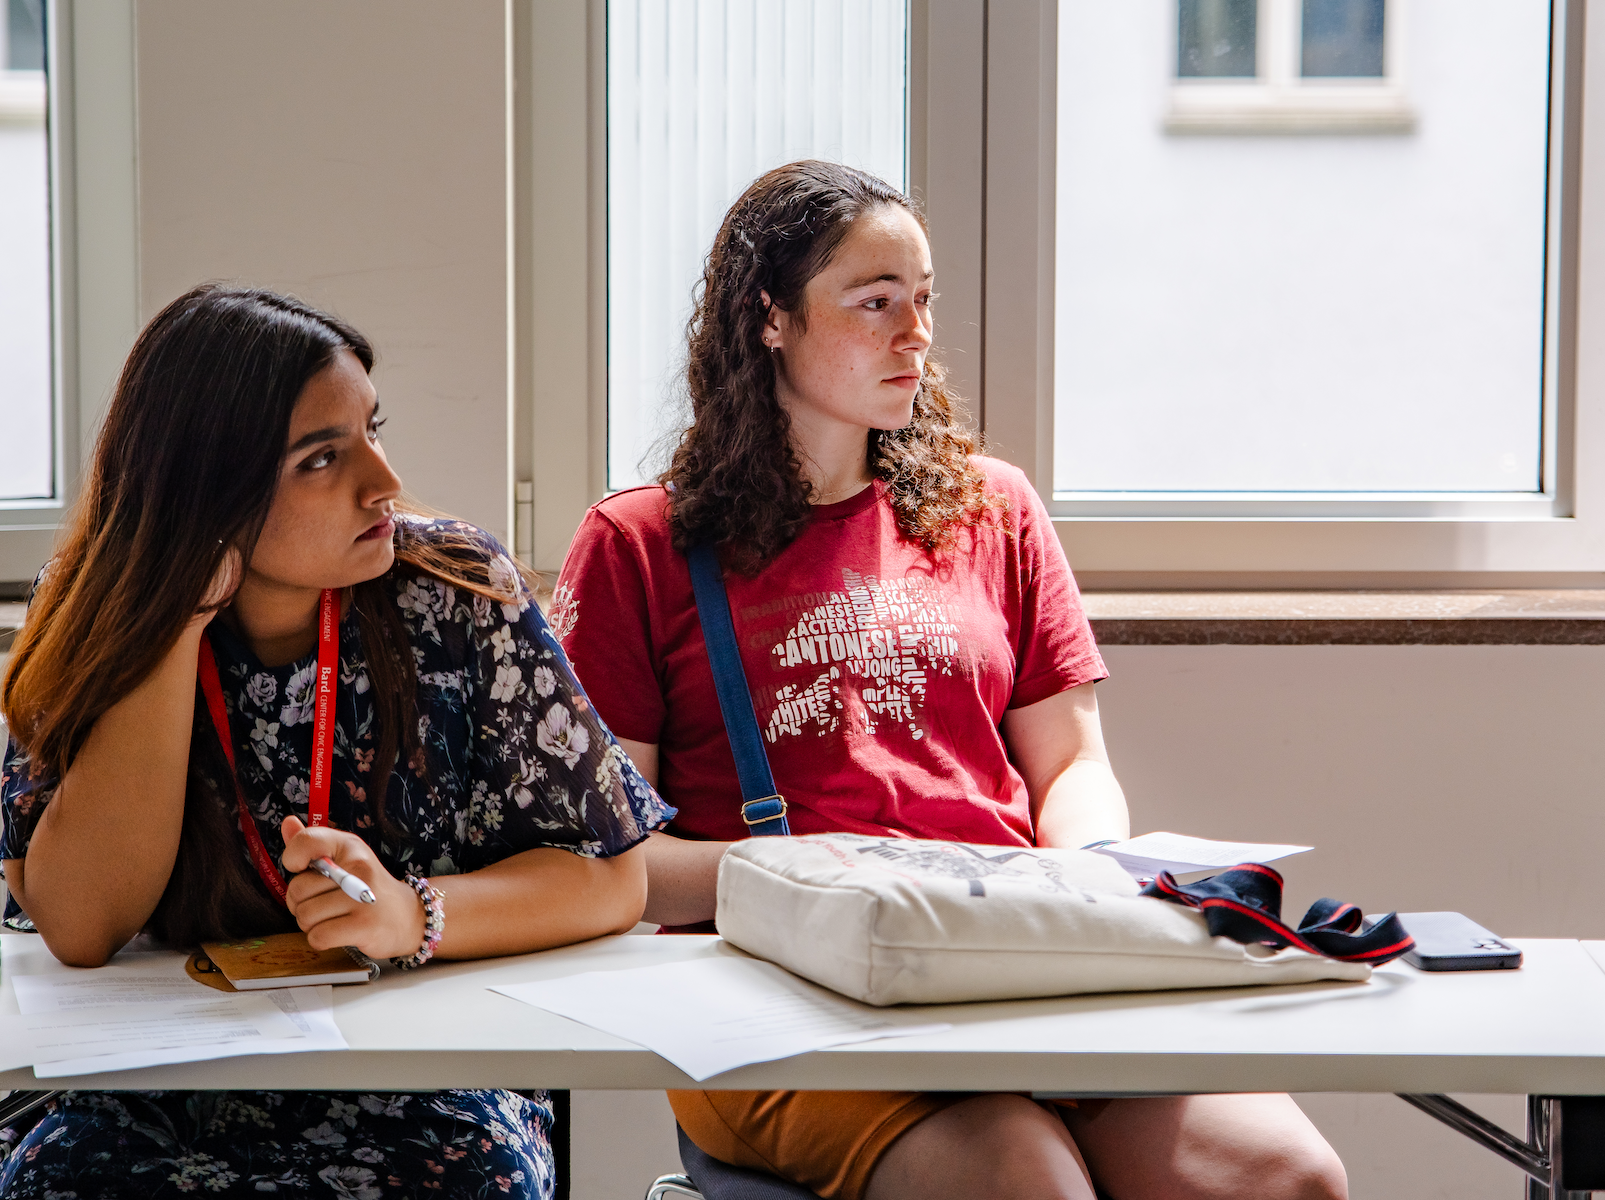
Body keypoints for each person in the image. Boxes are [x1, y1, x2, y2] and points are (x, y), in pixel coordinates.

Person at [552, 161, 1348, 1200]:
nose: (914, 335)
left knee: (1290, 1178)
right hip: (780, 990)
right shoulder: (641, 543)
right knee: (1028, 1184)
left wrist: (1088, 875)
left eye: (922, 301)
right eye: (874, 303)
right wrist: (826, 871)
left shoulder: (994, 508)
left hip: (1013, 963)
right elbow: (612, 863)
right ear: (769, 320)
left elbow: (1072, 768)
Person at [0, 284, 672, 1199]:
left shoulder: (456, 594)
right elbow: (78, 928)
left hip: (420, 1074)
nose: (383, 481)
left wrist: (412, 914)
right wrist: (173, 617)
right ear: (208, 489)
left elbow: (610, 879)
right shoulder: (93, 607)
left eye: (372, 431)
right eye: (322, 458)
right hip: (151, 1085)